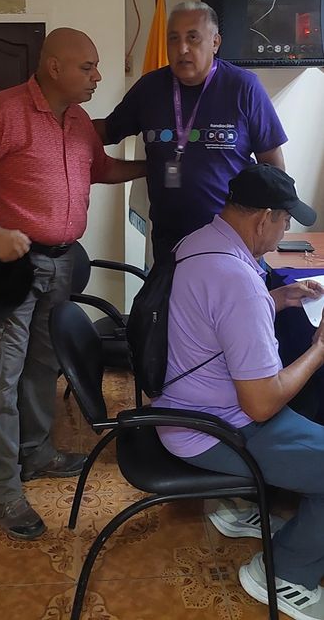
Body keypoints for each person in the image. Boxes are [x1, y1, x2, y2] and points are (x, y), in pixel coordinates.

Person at [0, 27, 146, 541]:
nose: (97, 76)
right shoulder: (1, 112)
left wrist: (155, 165)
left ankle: (38, 453)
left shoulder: (77, 121)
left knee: (43, 364)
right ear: (54, 67)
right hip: (7, 264)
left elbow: (101, 168)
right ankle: (3, 490)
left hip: (59, 262)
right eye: (87, 67)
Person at [152, 163, 324, 620]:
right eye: (285, 221)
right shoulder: (238, 281)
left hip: (184, 405)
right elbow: (262, 404)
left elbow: (214, 317)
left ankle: (238, 508)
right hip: (215, 429)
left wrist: (276, 299)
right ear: (264, 218)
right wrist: (320, 349)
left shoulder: (199, 242)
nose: (285, 232)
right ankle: (284, 574)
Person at [94, 1, 287, 262]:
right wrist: (58, 123)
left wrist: (273, 225)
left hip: (232, 243)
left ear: (215, 42)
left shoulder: (243, 87)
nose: (182, 48)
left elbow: (273, 166)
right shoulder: (149, 89)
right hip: (169, 243)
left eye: (193, 38)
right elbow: (106, 132)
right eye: (173, 39)